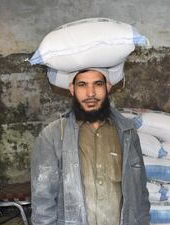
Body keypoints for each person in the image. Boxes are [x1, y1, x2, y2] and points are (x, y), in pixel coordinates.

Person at [30, 68, 150, 225]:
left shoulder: (127, 133)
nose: (90, 93)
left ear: (108, 87)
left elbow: (140, 194)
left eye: (98, 84)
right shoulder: (52, 136)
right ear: (72, 89)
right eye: (82, 85)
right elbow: (43, 202)